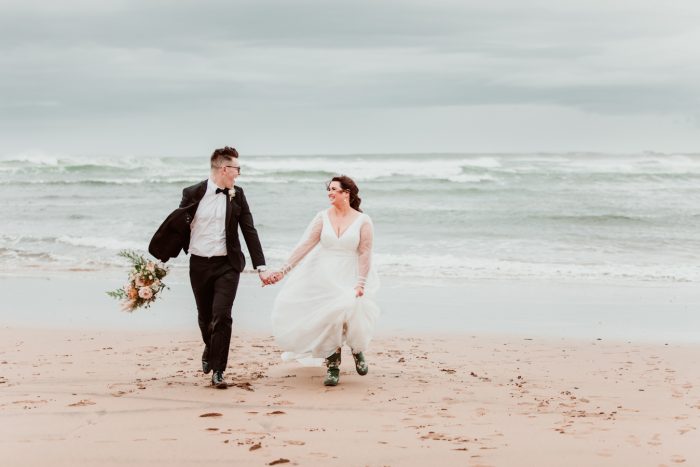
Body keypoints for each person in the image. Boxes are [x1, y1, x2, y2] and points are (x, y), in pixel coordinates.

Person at [149, 146, 275, 388]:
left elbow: (249, 229)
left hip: (227, 264)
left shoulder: (238, 194)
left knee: (222, 316)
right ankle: (210, 348)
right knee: (205, 317)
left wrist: (261, 265)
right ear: (224, 169)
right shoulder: (192, 193)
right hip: (198, 264)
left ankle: (219, 370)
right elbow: (177, 226)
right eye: (237, 169)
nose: (238, 174)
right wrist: (159, 260)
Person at [269, 175, 380, 386]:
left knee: (351, 316)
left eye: (334, 189)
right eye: (328, 189)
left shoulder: (363, 220)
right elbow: (305, 245)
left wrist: (361, 283)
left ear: (346, 193)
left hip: (350, 273)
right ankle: (333, 365)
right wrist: (283, 270)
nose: (330, 193)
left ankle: (357, 350)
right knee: (330, 319)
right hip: (323, 275)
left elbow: (365, 252)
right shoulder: (322, 217)